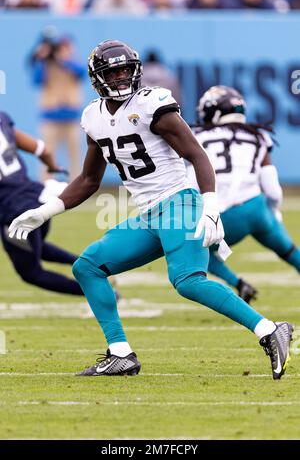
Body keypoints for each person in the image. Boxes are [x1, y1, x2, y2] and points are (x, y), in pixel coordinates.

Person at [9, 40, 293, 380]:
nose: (120, 77)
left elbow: (197, 156)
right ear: (97, 78)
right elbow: (88, 179)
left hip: (178, 202)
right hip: (149, 215)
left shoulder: (152, 104)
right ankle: (121, 354)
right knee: (87, 267)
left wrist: (210, 206)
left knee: (187, 280)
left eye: (125, 70)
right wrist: (45, 211)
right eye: (112, 72)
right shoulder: (93, 118)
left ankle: (270, 329)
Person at [186, 85, 300, 303]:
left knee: (194, 250)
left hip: (224, 215)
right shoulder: (258, 136)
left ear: (214, 111)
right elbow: (273, 189)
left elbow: (191, 182)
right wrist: (273, 213)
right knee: (290, 252)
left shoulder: (197, 137)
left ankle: (238, 284)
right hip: (257, 209)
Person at [0, 111, 84, 295]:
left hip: (14, 210)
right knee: (34, 245)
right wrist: (52, 167)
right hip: (37, 198)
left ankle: (100, 290)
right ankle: (87, 264)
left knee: (31, 272)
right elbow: (43, 150)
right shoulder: (1, 117)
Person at [29, 30, 85, 181]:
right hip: (50, 116)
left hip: (71, 116)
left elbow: (82, 73)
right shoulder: (45, 64)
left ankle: (77, 185)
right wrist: (42, 59)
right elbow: (36, 80)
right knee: (47, 153)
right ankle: (46, 184)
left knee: (74, 155)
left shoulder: (74, 61)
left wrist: (64, 60)